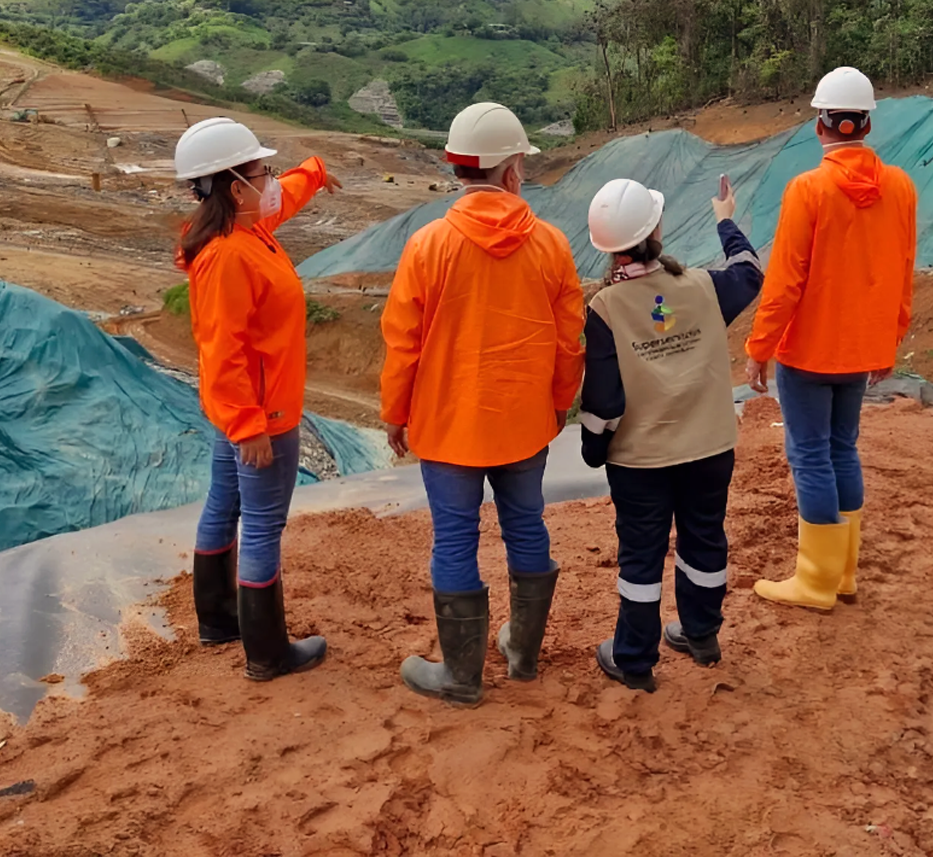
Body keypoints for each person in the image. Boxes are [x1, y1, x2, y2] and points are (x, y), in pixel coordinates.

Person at [381, 101, 585, 707]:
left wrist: (397, 412)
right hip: (524, 422)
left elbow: (403, 344)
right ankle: (521, 655)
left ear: (458, 169)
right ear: (513, 167)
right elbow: (568, 340)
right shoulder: (550, 244)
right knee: (527, 526)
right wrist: (556, 406)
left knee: (454, 539)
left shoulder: (427, 245)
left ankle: (461, 676)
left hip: (448, 427)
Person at [579, 176, 763, 692]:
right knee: (704, 539)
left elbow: (605, 402)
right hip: (709, 448)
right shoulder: (703, 287)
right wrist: (725, 219)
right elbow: (750, 272)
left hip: (641, 462)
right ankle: (700, 635)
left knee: (641, 557)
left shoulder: (605, 309)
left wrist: (594, 448)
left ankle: (634, 661)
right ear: (656, 227)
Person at [744, 67, 917, 612]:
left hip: (810, 350)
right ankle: (842, 575)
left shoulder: (808, 189)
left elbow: (786, 279)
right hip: (863, 350)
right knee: (842, 448)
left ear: (821, 125)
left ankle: (815, 583)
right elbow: (904, 268)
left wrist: (760, 347)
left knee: (811, 455)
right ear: (865, 123)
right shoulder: (901, 187)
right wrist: (890, 339)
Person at [175, 117, 341, 681]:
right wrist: (251, 427)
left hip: (242, 408)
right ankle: (267, 651)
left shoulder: (244, 230)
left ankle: (219, 621)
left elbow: (283, 199)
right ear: (232, 185)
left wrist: (313, 173)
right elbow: (224, 351)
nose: (268, 180)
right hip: (261, 412)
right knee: (264, 524)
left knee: (224, 506)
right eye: (258, 172)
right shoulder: (228, 257)